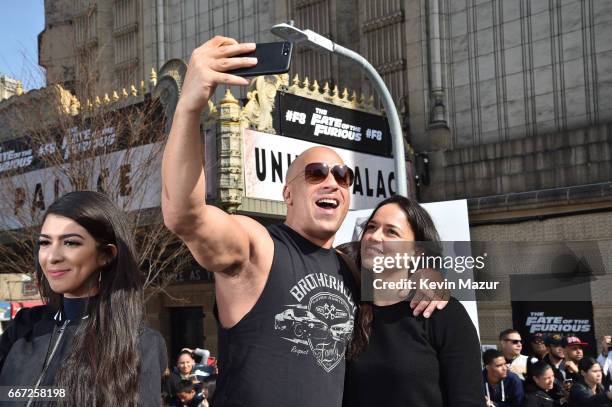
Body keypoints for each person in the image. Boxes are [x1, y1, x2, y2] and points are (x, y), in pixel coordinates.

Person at [161, 35, 446, 407]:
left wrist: (431, 274)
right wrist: (190, 105)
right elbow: (186, 214)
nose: (332, 181)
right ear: (288, 193)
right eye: (315, 173)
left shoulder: (352, 268)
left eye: (343, 176)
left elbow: (413, 274)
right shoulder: (258, 246)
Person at [0, 191, 167, 406]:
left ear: (106, 255)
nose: (52, 257)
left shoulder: (141, 342)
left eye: (70, 243)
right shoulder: (24, 326)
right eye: (44, 243)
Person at [342, 195, 485, 407]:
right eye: (371, 227)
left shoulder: (442, 313)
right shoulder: (346, 305)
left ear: (416, 250)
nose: (374, 236)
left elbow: (468, 399)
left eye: (391, 231)